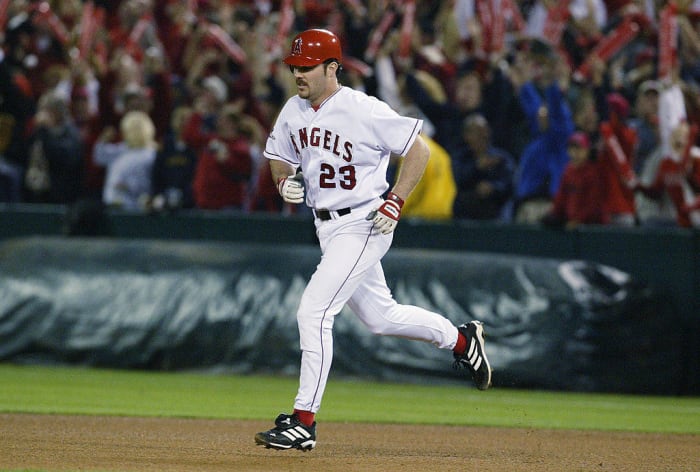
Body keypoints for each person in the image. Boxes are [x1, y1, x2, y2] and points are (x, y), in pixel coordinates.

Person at [254, 28, 492, 452]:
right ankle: (461, 340)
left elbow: (418, 150)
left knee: (313, 312)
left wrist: (396, 201)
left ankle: (303, 422)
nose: (298, 75)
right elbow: (278, 157)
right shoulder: (293, 109)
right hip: (326, 227)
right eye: (295, 68)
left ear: (332, 67)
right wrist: (283, 182)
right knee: (382, 317)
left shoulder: (362, 108)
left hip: (364, 222)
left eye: (307, 67)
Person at [541, 132, 606, 229]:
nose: (575, 153)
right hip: (572, 223)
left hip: (592, 226)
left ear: (587, 150)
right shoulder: (568, 171)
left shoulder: (593, 173)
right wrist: (554, 214)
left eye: (579, 149)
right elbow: (561, 197)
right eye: (572, 149)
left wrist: (578, 220)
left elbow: (593, 204)